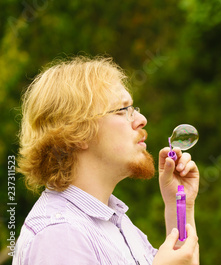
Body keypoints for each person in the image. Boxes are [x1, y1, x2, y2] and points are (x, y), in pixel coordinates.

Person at [13, 56, 199, 265]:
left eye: (134, 109)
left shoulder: (115, 223)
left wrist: (179, 205)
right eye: (122, 110)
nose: (141, 120)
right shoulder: (59, 235)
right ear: (78, 132)